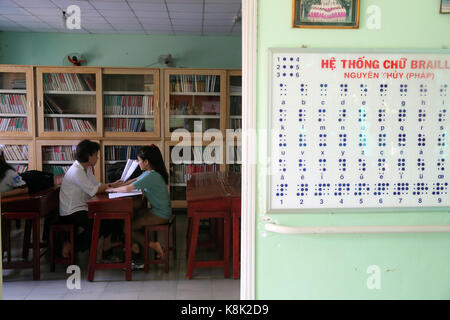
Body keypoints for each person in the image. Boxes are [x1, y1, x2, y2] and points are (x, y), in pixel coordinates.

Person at [106, 145, 171, 259]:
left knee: (128, 227)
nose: (138, 163)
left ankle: (153, 245)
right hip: (159, 210)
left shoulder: (151, 176)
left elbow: (127, 189)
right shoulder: (151, 172)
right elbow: (134, 180)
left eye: (139, 160)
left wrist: (112, 190)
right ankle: (134, 245)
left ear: (146, 162)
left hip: (161, 214)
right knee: (131, 217)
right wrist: (118, 184)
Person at [59, 140, 122, 258]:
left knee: (108, 220)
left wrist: (111, 185)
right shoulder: (77, 171)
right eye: (96, 155)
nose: (98, 157)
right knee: (99, 225)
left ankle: (104, 246)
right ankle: (73, 246)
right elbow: (94, 190)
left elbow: (96, 185)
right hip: (71, 211)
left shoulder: (86, 168)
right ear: (89, 156)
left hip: (82, 208)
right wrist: (111, 186)